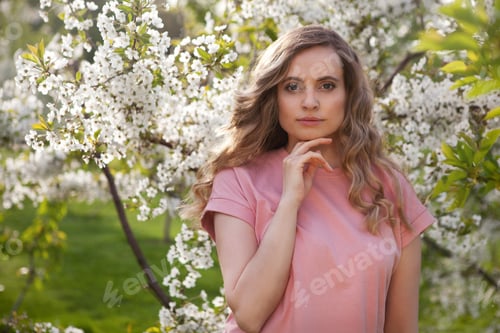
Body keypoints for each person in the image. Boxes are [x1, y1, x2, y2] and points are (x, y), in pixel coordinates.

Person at [182, 25, 435, 333]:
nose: (310, 102)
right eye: (292, 87)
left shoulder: (389, 186)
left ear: (348, 94)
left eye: (326, 86)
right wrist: (290, 202)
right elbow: (249, 314)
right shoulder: (238, 179)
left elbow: (402, 328)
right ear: (274, 96)